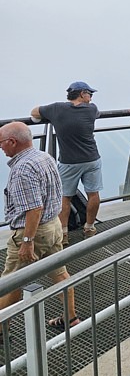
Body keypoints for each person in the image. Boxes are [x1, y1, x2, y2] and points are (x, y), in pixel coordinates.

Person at [0, 122, 80, 329]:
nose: (0, 147)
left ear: (12, 142)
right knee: (59, 273)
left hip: (34, 232)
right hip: (53, 226)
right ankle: (71, 319)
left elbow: (34, 208)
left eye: (1, 142)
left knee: (11, 282)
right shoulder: (44, 157)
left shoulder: (22, 169)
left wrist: (27, 241)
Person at [31, 81, 102, 245]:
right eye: (89, 94)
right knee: (94, 193)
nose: (91, 97)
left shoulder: (56, 109)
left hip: (69, 162)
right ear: (82, 93)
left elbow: (34, 112)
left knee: (65, 197)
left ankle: (63, 234)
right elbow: (94, 113)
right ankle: (89, 228)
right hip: (92, 158)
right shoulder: (92, 109)